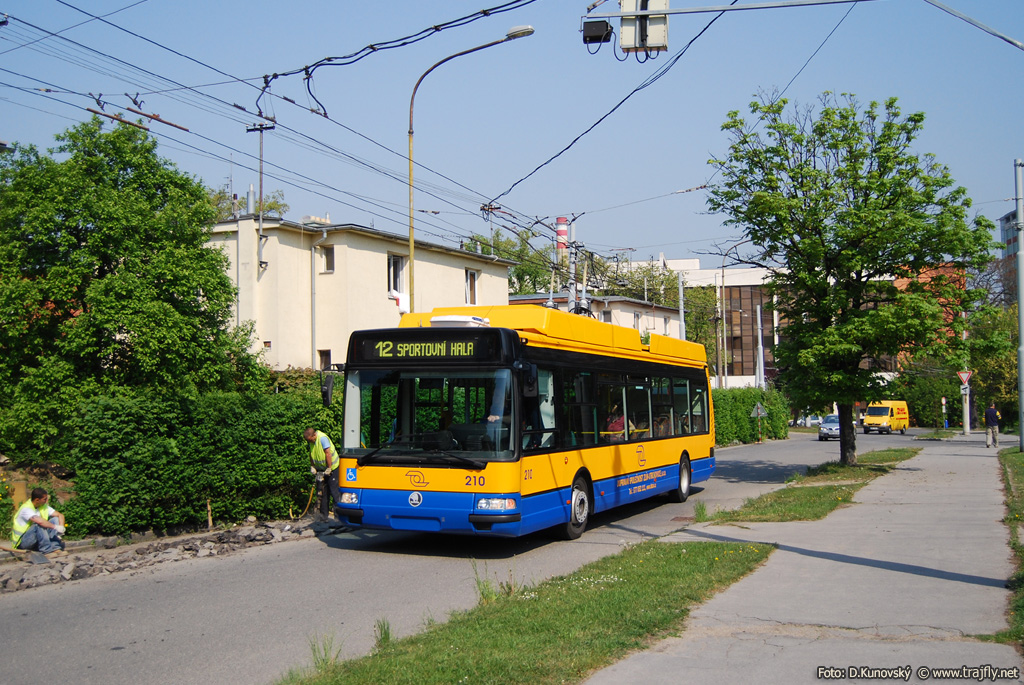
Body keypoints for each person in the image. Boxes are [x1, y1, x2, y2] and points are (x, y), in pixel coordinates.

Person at [304, 427, 344, 521]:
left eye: (311, 440)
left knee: (335, 492)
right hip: (322, 469)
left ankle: (338, 518)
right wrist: (313, 466)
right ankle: (323, 517)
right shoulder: (311, 441)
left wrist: (329, 468)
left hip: (333, 468)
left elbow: (328, 454)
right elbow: (311, 454)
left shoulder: (322, 438)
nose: (311, 442)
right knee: (323, 492)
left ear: (314, 435)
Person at [11, 488, 66, 556]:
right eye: (44, 499)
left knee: (55, 519)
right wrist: (56, 527)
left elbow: (60, 515)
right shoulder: (26, 509)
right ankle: (46, 551)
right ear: (37, 500)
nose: (46, 501)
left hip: (35, 539)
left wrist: (61, 527)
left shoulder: (42, 506)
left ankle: (55, 548)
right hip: (23, 543)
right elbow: (40, 522)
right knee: (39, 524)